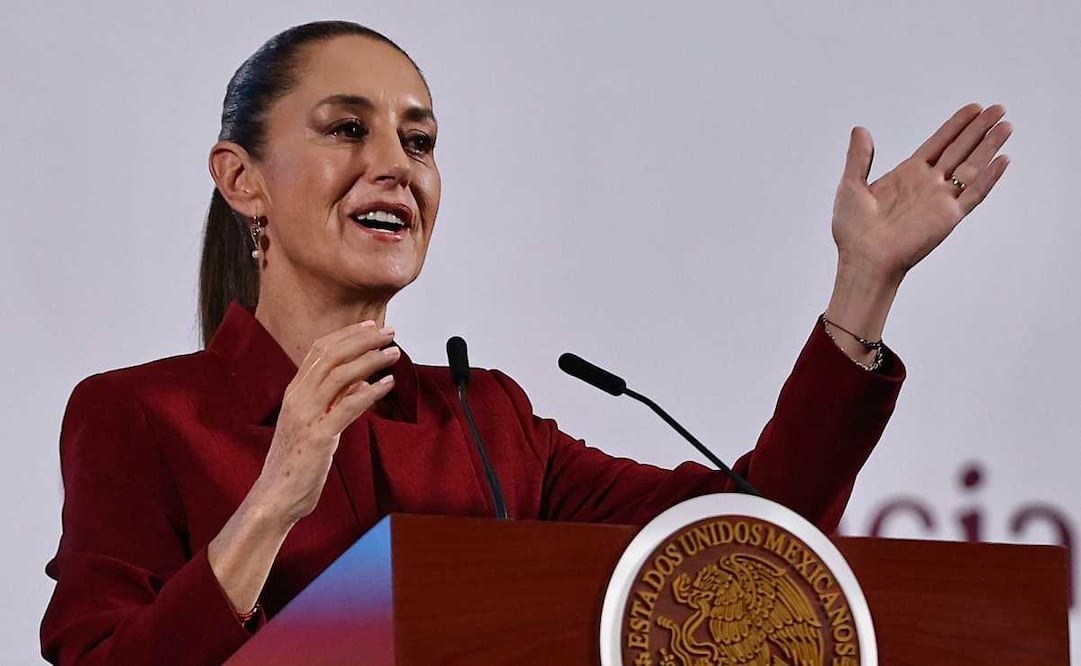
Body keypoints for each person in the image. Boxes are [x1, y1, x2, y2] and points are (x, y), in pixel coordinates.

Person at [40, 20, 1011, 666]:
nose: (393, 166)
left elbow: (748, 541)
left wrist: (863, 288)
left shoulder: (485, 422)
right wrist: (272, 503)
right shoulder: (138, 416)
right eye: (346, 129)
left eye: (418, 142)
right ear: (241, 180)